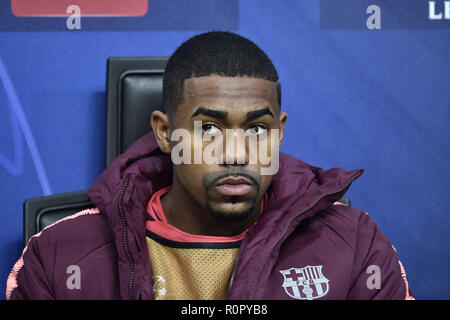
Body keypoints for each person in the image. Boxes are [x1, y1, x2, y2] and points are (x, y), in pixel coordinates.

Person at [6, 31, 414, 300]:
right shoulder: (59, 256)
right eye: (209, 128)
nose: (236, 153)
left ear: (281, 132)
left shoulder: (355, 243)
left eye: (257, 129)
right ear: (165, 133)